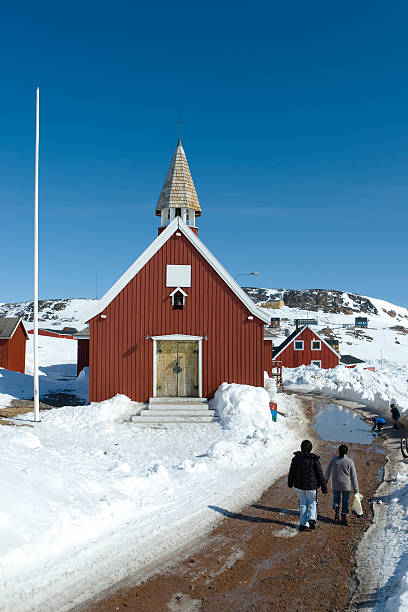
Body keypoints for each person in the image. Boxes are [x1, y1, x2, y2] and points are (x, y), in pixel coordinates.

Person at [288, 439, 327, 532]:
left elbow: (292, 472)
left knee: (303, 503)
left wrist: (290, 482)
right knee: (313, 502)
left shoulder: (296, 459)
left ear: (301, 448)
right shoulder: (314, 460)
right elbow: (320, 474)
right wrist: (324, 486)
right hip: (311, 487)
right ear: (311, 449)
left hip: (299, 486)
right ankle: (312, 519)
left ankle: (303, 524)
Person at [324, 444, 359, 526]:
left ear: (338, 451)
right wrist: (356, 490)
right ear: (347, 452)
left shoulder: (334, 460)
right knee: (345, 501)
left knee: (336, 499)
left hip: (335, 484)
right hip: (346, 486)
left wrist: (325, 482)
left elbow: (327, 472)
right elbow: (353, 477)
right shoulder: (350, 462)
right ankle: (343, 516)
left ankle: (336, 509)